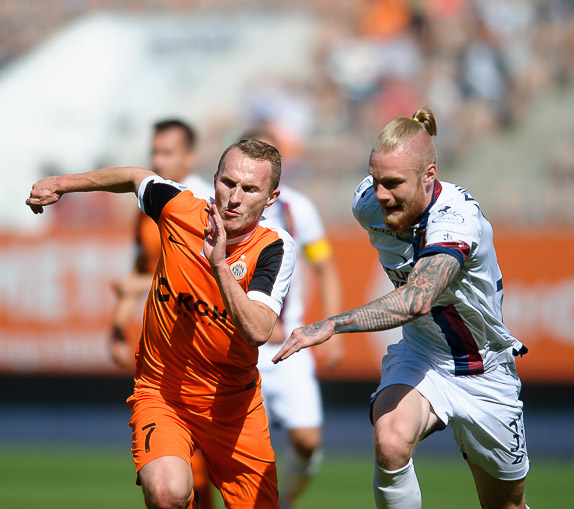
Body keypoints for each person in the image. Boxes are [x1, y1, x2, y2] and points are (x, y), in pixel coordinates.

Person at [273, 107, 530, 509]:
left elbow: (417, 299)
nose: (381, 195)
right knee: (390, 441)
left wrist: (331, 325)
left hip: (484, 369)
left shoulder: (458, 220)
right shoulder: (367, 203)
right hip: (422, 355)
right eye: (375, 180)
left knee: (505, 506)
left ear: (430, 175)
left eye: (393, 184)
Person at [27, 138, 296, 509]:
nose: (234, 198)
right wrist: (62, 184)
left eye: (250, 189)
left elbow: (258, 331)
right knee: (168, 494)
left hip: (233, 407)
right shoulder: (180, 207)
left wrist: (219, 265)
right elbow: (135, 177)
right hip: (162, 392)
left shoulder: (274, 248)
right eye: (228, 183)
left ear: (270, 198)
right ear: (214, 178)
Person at [109, 121, 217, 509]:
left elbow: (203, 280)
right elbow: (142, 266)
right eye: (154, 152)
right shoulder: (148, 204)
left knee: (199, 464)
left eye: (167, 152)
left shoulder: (207, 205)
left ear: (190, 155)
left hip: (201, 344)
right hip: (159, 345)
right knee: (173, 470)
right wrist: (118, 325)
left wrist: (137, 286)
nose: (157, 160)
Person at [244, 129, 344, 508]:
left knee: (307, 441)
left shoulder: (297, 210)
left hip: (288, 347)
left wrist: (334, 330)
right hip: (239, 345)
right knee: (234, 445)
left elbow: (324, 267)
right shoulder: (222, 208)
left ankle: (284, 502)